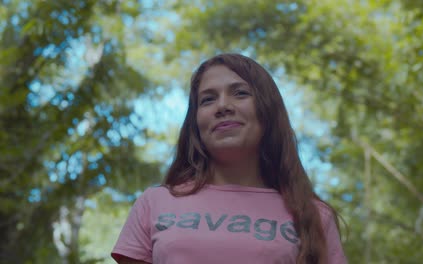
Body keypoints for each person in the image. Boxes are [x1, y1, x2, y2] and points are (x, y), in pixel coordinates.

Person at [111, 53, 347, 264]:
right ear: (196, 122)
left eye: (240, 93)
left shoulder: (314, 216)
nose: (222, 105)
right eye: (208, 99)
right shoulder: (155, 203)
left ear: (267, 110)